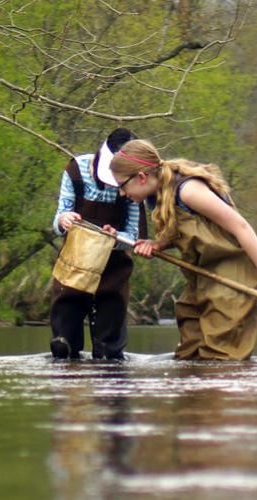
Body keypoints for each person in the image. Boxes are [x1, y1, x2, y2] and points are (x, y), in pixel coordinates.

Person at [107, 139, 257, 361]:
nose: (121, 193)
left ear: (141, 177)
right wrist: (157, 244)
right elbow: (189, 230)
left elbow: (241, 227)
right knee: (191, 353)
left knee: (220, 358)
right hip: (202, 277)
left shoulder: (189, 191)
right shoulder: (160, 195)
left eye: (122, 185)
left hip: (232, 277)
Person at [50, 128, 147, 360]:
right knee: (64, 339)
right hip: (75, 262)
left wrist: (117, 237)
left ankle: (108, 363)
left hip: (113, 267)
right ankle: (67, 369)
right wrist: (64, 220)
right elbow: (58, 219)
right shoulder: (76, 169)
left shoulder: (136, 183)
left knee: (109, 348)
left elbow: (134, 235)